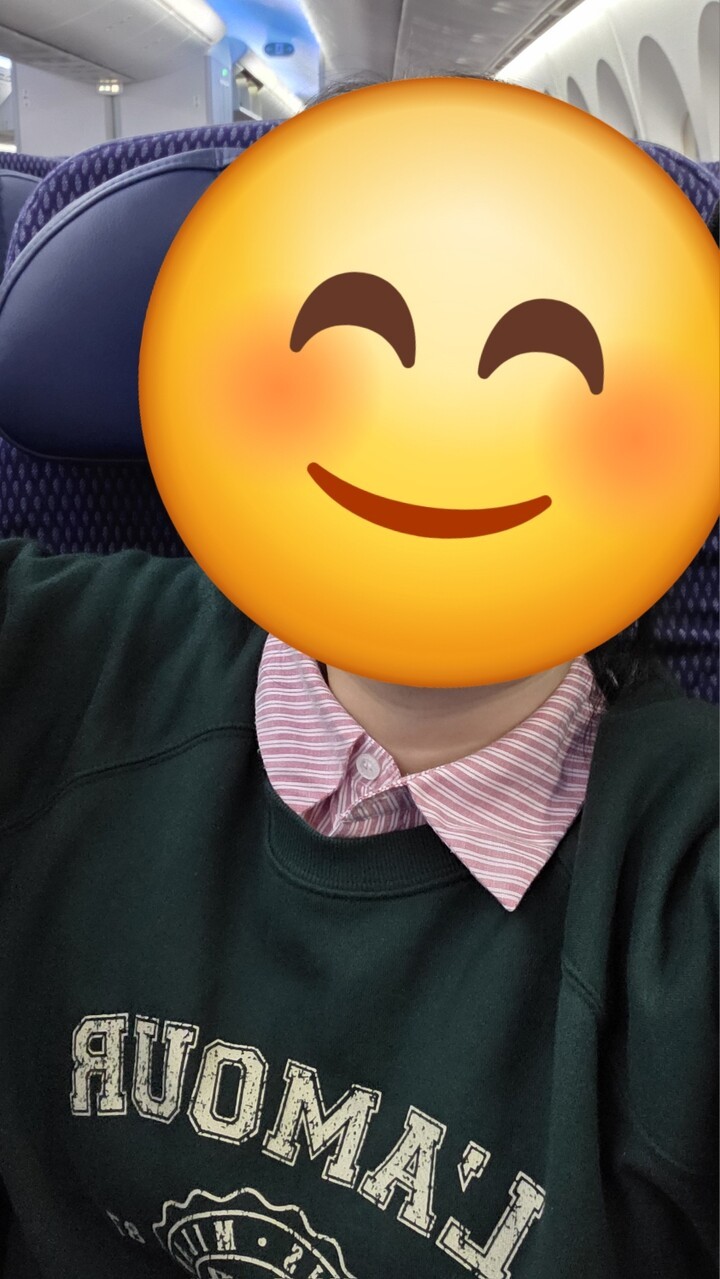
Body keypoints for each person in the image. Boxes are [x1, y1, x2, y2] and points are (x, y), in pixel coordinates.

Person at [0, 85, 717, 1279]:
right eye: (355, 341)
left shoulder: (682, 872)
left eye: (539, 364)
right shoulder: (66, 661)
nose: (441, 424)